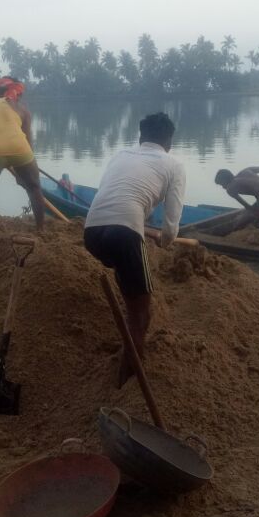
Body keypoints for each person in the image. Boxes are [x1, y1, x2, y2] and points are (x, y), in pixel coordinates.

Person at [84, 112, 186, 385]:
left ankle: (126, 361)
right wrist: (164, 240)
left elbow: (115, 193)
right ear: (170, 143)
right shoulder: (174, 165)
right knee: (140, 316)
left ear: (141, 138)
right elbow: (170, 230)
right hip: (124, 235)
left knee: (128, 281)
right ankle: (127, 384)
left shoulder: (120, 155)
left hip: (92, 232)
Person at [0, 77, 46, 229]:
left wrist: (6, 161)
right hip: (20, 149)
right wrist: (27, 171)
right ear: (15, 93)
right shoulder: (22, 109)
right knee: (34, 188)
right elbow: (27, 140)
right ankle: (41, 229)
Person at [214, 164, 259, 242]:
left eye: (221, 184)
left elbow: (247, 206)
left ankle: (231, 240)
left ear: (225, 180)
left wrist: (247, 216)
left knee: (240, 222)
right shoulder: (246, 171)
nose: (222, 187)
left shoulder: (230, 188)